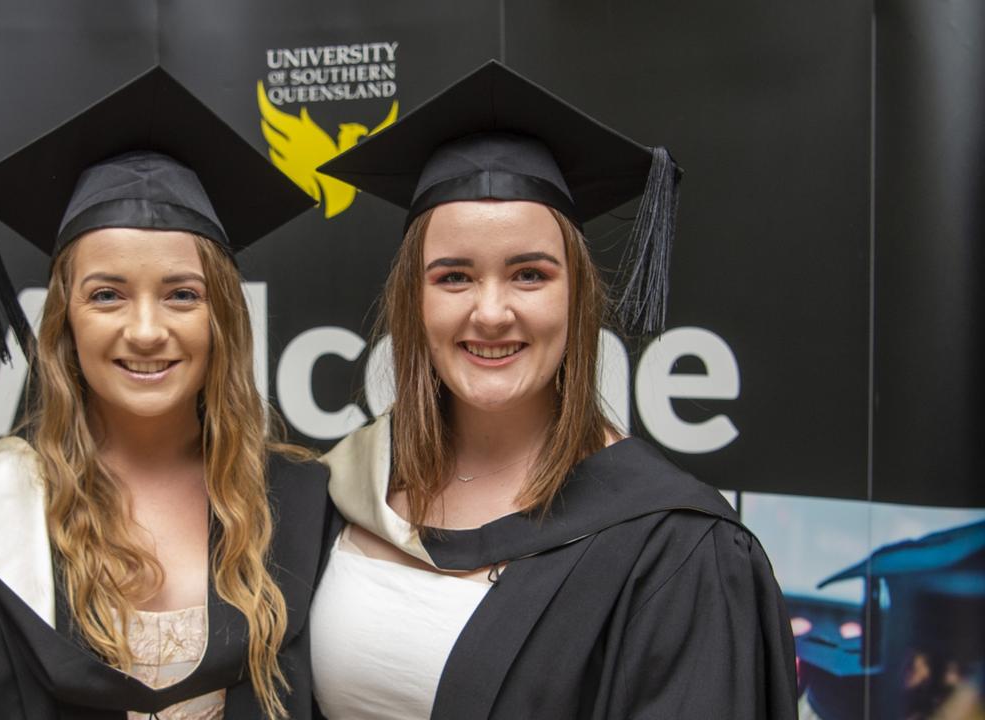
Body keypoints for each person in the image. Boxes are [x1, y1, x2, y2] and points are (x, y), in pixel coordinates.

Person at [0, 67, 333, 719]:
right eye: (106, 294)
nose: (146, 330)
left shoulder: (302, 509)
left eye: (182, 294)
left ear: (221, 317)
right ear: (65, 320)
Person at [309, 61, 798, 719]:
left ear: (577, 297)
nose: (490, 312)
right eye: (453, 277)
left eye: (529, 275)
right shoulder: (344, 489)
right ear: (414, 302)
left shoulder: (675, 548)